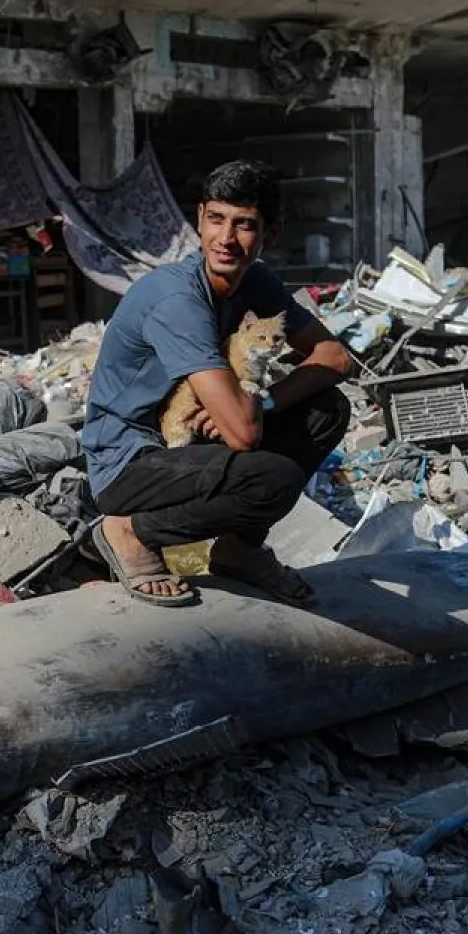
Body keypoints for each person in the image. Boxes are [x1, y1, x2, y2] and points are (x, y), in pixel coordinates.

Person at [82, 159, 355, 607]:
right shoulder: (178, 300)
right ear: (200, 219)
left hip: (189, 447)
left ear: (272, 233)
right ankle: (130, 532)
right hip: (132, 459)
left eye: (244, 224)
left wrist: (262, 404)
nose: (226, 239)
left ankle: (237, 550)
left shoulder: (255, 280)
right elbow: (243, 436)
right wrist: (242, 414)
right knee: (272, 479)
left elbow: (335, 357)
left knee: (328, 409)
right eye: (216, 220)